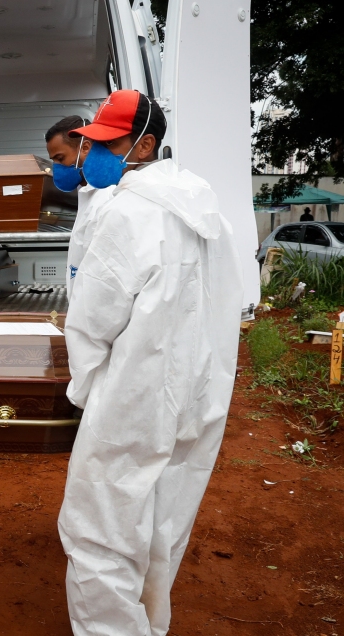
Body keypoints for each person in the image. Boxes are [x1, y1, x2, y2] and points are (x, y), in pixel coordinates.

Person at [56, 89, 243, 636]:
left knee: (100, 533)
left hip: (133, 398)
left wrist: (88, 393)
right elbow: (228, 302)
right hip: (199, 396)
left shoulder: (127, 212)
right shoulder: (207, 209)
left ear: (143, 146)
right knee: (164, 523)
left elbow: (92, 321)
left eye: (106, 144)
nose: (93, 157)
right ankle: (151, 625)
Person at [44, 114, 112, 301]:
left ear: (86, 148)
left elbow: (104, 277)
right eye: (54, 161)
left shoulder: (105, 198)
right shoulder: (86, 195)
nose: (56, 167)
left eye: (60, 158)